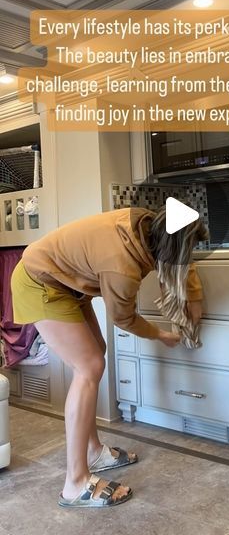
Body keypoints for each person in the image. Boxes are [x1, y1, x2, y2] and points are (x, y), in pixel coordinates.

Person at [11, 206, 207, 508]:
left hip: (67, 284)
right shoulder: (122, 266)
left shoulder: (147, 221)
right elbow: (123, 318)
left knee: (94, 355)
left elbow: (181, 243)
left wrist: (194, 295)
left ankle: (92, 451)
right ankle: (75, 482)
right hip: (39, 282)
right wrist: (162, 335)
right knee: (89, 366)